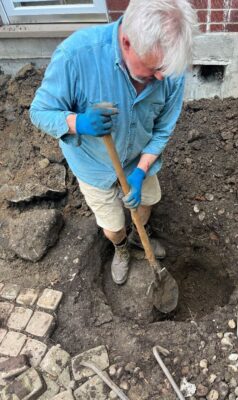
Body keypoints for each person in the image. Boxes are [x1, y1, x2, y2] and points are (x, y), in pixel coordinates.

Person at [30, 0, 198, 285]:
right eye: (153, 68)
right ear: (127, 42)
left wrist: (142, 170)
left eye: (165, 71)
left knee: (146, 202)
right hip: (94, 167)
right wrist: (78, 122)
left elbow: (162, 131)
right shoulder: (77, 56)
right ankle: (121, 248)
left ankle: (137, 238)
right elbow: (40, 112)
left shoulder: (169, 70)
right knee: (112, 225)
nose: (161, 77)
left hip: (137, 161)